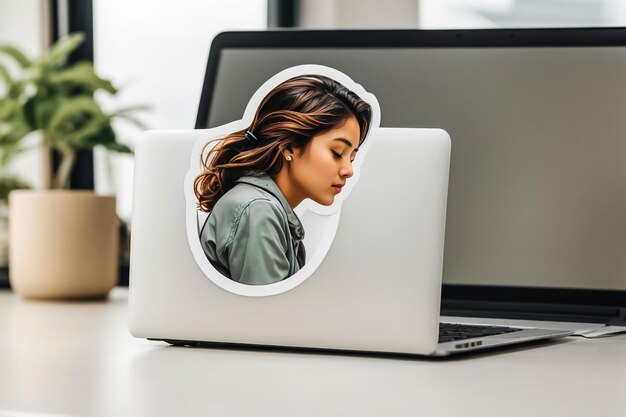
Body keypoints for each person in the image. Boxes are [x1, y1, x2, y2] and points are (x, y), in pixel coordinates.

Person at [194, 74, 372, 285]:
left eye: (352, 158)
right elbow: (270, 316)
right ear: (288, 146)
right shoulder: (258, 209)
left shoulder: (262, 207)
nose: (348, 170)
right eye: (337, 152)